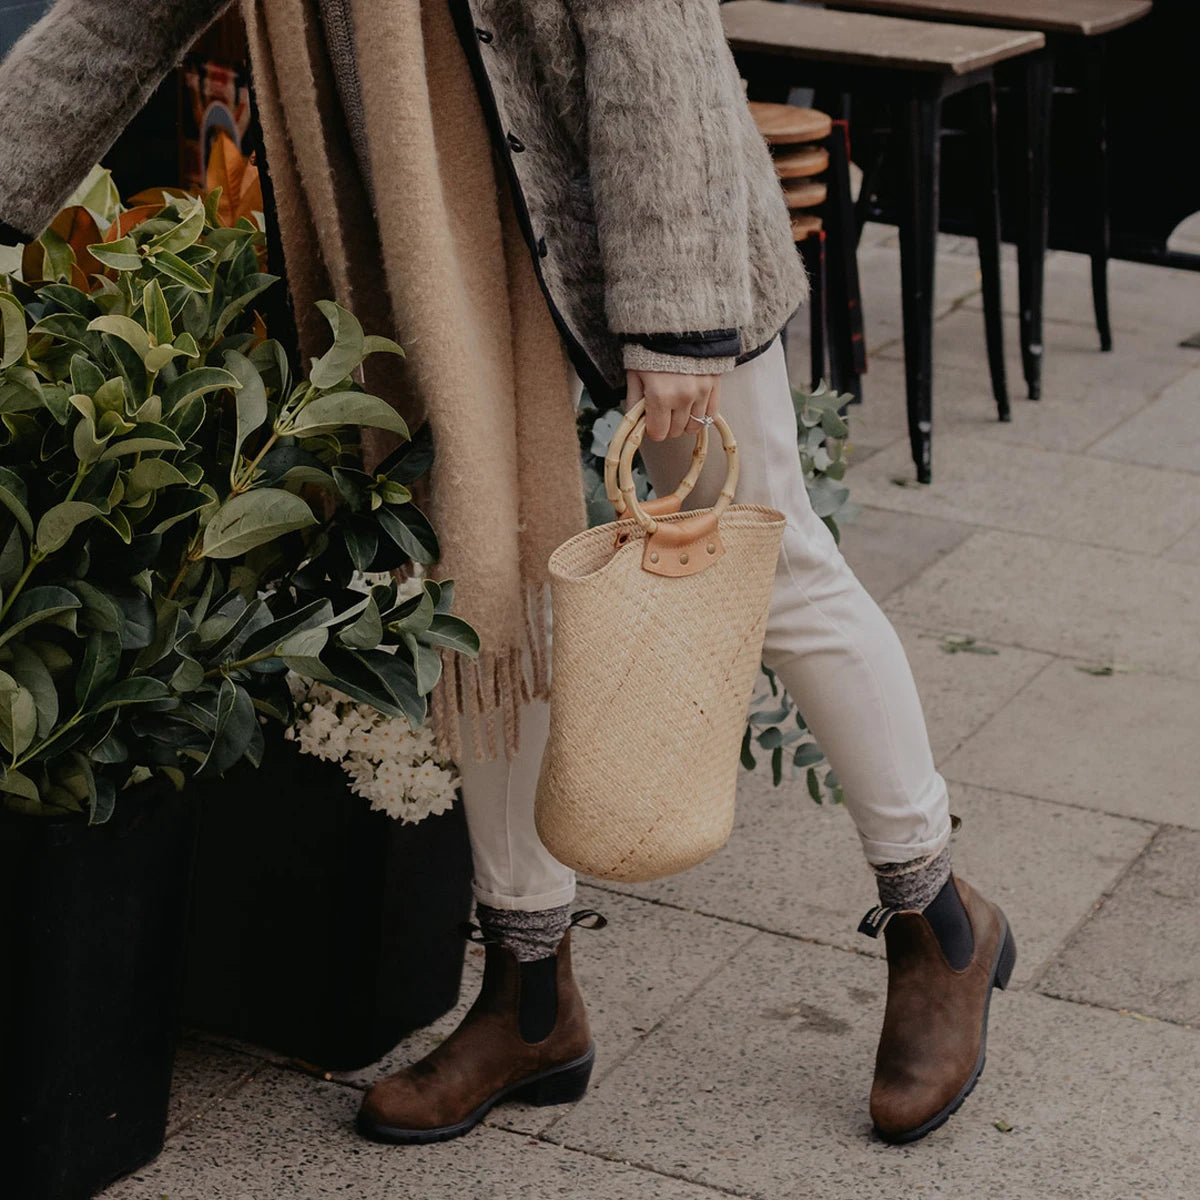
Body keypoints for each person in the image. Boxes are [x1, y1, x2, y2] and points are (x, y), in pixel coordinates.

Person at [0, 0, 1015, 1147]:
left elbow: (655, 38)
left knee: (771, 565)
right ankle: (533, 995)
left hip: (644, 213)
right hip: (442, 245)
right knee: (488, 603)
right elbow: (116, 21)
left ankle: (940, 918)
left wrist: (675, 321)